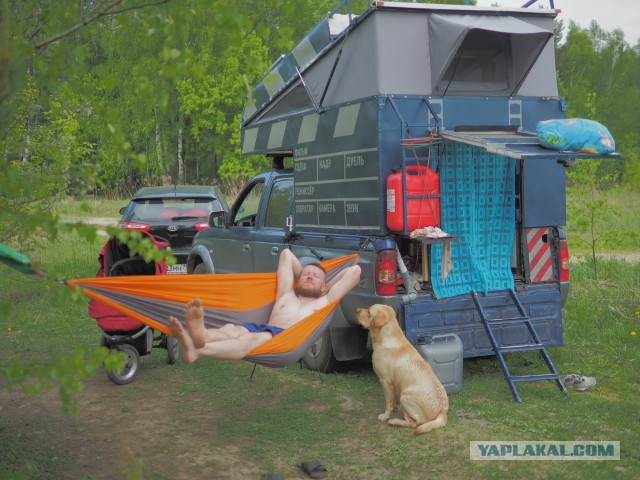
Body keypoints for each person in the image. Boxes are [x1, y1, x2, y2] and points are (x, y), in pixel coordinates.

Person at [168, 249, 361, 364]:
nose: (309, 276)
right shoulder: (286, 293)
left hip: (283, 339)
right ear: (298, 278)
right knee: (232, 329)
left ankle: (198, 351)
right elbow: (286, 255)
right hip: (264, 328)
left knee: (249, 340)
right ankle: (200, 336)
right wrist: (309, 274)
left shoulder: (325, 301)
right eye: (305, 275)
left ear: (325, 285)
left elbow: (354, 271)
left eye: (315, 276)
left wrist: (325, 289)